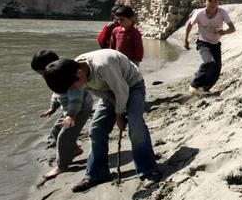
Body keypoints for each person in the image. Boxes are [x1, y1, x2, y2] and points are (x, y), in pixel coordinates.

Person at [43, 49, 161, 192]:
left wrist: (119, 116)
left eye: (74, 87)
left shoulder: (102, 66)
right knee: (96, 129)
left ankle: (148, 171)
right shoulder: (73, 72)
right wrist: (114, 105)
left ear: (79, 75)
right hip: (108, 91)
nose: (75, 89)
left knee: (135, 126)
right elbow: (99, 92)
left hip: (132, 85)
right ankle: (97, 174)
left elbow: (122, 90)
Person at [31, 50, 93, 180]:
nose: (43, 77)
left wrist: (71, 116)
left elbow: (76, 100)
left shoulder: (68, 79)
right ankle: (75, 149)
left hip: (79, 111)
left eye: (42, 74)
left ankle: (62, 165)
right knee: (55, 131)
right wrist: (52, 108)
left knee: (64, 137)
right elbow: (56, 95)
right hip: (69, 111)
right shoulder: (55, 78)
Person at [183, 0, 236, 94]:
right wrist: (185, 40)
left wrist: (224, 32)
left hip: (215, 45)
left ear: (219, 1)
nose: (213, 3)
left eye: (215, 0)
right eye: (210, 1)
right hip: (203, 43)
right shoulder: (199, 14)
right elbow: (189, 24)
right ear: (204, 1)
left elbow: (232, 28)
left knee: (216, 71)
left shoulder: (222, 13)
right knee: (209, 63)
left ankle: (204, 89)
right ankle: (194, 85)